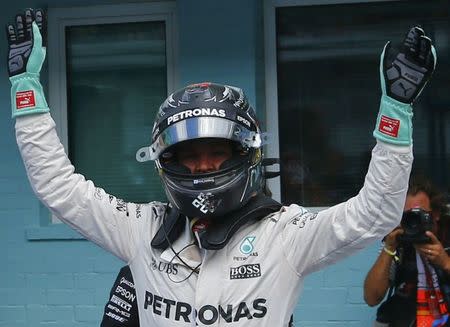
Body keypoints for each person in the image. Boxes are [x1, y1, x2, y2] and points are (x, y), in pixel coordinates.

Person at [7, 8, 437, 326]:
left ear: (244, 155)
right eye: (189, 157)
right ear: (165, 162)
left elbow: (375, 213)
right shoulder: (141, 230)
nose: (203, 167)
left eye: (217, 153)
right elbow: (58, 188)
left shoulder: (284, 235)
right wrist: (26, 93)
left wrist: (395, 113)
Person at [364, 176, 450, 326]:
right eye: (408, 216)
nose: (414, 221)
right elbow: (372, 298)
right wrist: (389, 248)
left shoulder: (447, 235)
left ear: (435, 214)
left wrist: (445, 262)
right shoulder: (400, 242)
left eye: (420, 214)